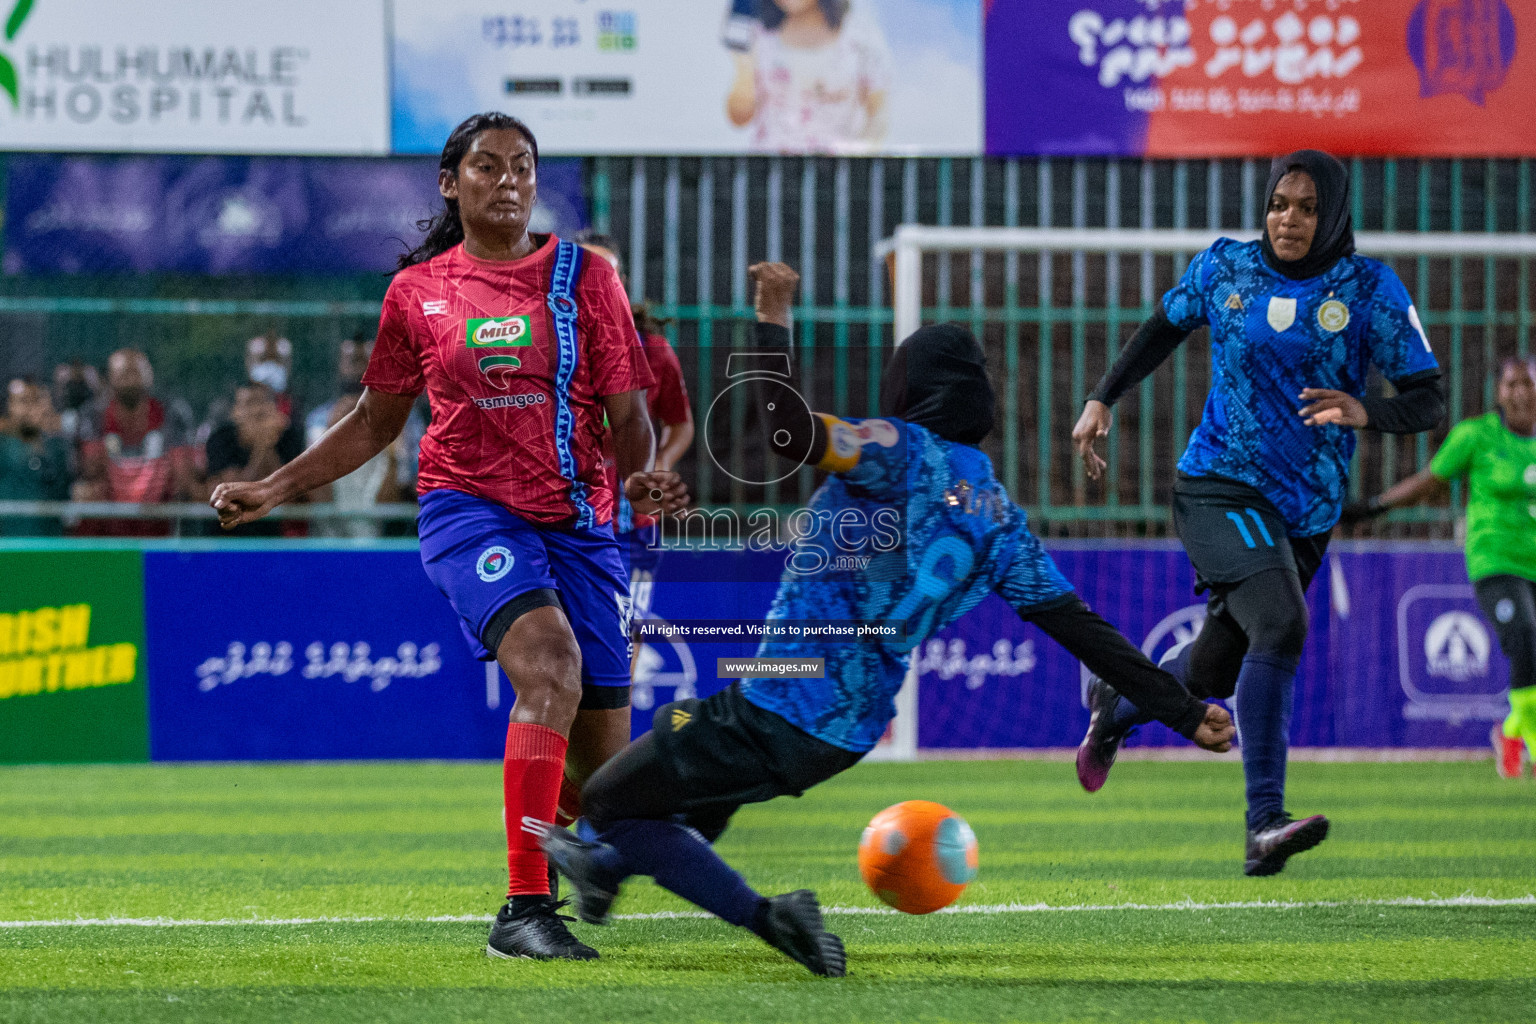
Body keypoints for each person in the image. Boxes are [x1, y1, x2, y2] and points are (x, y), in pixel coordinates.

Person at [539, 262, 1235, 976]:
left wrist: (772, 314)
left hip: (783, 704)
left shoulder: (894, 449)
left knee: (607, 797)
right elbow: (1086, 632)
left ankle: (768, 916)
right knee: (697, 776)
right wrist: (1182, 712)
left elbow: (783, 432)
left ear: (909, 386)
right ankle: (608, 869)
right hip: (847, 735)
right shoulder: (999, 516)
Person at [208, 112, 687, 962]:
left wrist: (640, 476)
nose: (508, 181)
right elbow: (373, 421)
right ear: (450, 181)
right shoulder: (418, 294)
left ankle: (571, 846)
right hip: (470, 511)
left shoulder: (586, 280)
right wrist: (275, 484)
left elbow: (630, 412)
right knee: (550, 667)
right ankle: (523, 907)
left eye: (523, 168)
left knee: (602, 778)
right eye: (488, 166)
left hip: (581, 523)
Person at [1071, 150, 1445, 876]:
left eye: (1307, 207)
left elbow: (1429, 399)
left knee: (1211, 670)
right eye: (1279, 203)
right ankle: (1264, 822)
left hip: (1304, 515)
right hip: (1218, 486)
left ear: (1332, 213)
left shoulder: (1369, 289)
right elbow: (1161, 327)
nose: (1289, 219)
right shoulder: (1224, 269)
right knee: (1282, 622)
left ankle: (1114, 706)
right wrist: (1101, 398)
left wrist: (1366, 409)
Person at [1343, 356, 1536, 778]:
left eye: (1528, 383)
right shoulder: (1477, 435)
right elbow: (1430, 480)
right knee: (1524, 636)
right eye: (1511, 384)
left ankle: (1510, 732)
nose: (1520, 392)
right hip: (1496, 560)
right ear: (1497, 392)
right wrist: (1374, 507)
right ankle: (1534, 747)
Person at [576, 232, 695, 699]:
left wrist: (657, 466)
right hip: (567, 514)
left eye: (609, 273)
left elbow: (681, 424)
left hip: (633, 520)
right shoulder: (545, 349)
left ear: (621, 281)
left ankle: (609, 740)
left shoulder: (653, 350)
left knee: (628, 631)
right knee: (566, 632)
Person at [725, 0, 891, 154]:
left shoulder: (860, 37)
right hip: (772, 172)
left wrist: (860, 155)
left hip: (836, 173)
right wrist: (743, 68)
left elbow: (879, 113)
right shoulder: (760, 37)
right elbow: (739, 117)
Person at [73, 349, 200, 535]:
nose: (130, 380)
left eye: (136, 373)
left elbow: (183, 479)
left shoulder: (172, 414)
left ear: (150, 377)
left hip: (160, 528)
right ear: (109, 379)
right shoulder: (93, 416)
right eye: (123, 373)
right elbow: (90, 471)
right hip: (107, 530)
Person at [204, 383, 307, 537]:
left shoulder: (290, 436)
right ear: (235, 412)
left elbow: (287, 492)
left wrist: (267, 445)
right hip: (229, 535)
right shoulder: (221, 438)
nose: (257, 410)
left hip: (278, 534)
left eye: (263, 402)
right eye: (249, 404)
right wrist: (262, 444)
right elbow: (237, 493)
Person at [0, 377, 73, 537]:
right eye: (23, 401)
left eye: (37, 401)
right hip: (7, 546)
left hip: (49, 546)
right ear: (10, 406)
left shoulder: (58, 449)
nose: (30, 409)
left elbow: (67, 496)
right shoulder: (3, 449)